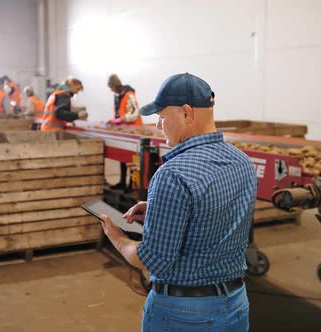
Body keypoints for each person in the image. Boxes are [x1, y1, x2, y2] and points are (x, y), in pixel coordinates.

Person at [99, 73, 257, 331]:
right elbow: (220, 211)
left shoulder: (172, 174)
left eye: (161, 116)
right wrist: (162, 208)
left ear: (186, 113)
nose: (158, 126)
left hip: (183, 315)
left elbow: (153, 260)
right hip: (236, 304)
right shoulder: (242, 162)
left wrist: (117, 237)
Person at [107, 74, 142, 190]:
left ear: (116, 85)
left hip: (133, 130)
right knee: (122, 156)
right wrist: (116, 121)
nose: (111, 90)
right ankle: (122, 182)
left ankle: (131, 185)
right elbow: (119, 112)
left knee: (132, 158)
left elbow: (135, 113)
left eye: (111, 87)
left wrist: (121, 119)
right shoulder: (117, 96)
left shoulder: (129, 95)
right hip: (124, 130)